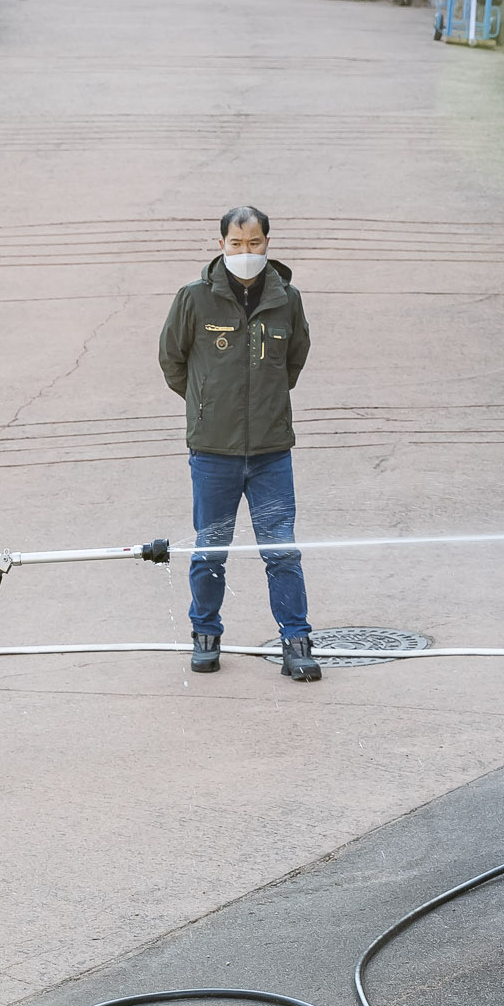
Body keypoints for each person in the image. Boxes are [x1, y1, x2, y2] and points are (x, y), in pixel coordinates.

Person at [157, 204, 319, 682]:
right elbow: (173, 360)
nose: (245, 252)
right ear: (221, 244)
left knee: (282, 550)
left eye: (255, 244)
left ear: (268, 244)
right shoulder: (194, 299)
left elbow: (294, 359)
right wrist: (208, 403)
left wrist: (262, 403)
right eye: (236, 244)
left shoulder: (286, 299)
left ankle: (297, 641)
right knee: (210, 550)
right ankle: (205, 634)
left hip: (271, 453)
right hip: (213, 453)